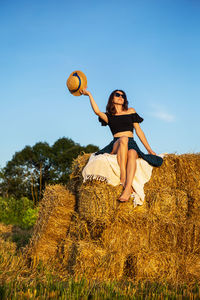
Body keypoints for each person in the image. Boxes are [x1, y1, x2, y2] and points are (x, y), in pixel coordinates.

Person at [80, 89, 163, 202]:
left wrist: (149, 149)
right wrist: (89, 94)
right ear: (112, 98)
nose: (121, 97)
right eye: (117, 95)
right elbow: (97, 111)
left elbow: (139, 131)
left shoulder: (130, 111)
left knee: (133, 153)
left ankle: (127, 188)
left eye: (123, 96)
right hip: (116, 143)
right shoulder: (109, 115)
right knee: (123, 139)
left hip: (131, 142)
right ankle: (123, 177)